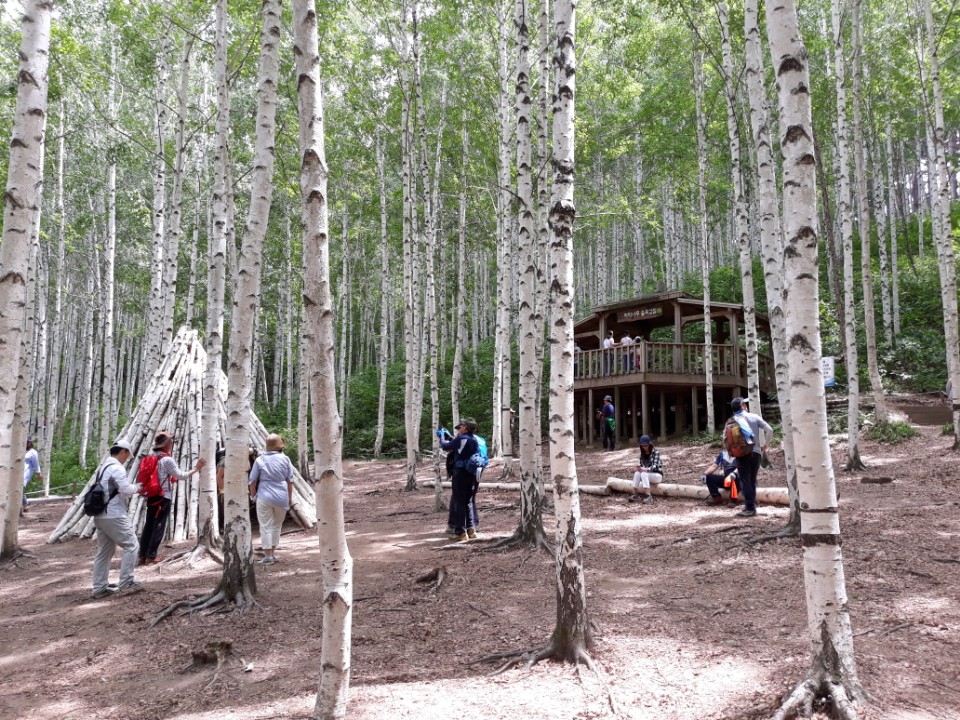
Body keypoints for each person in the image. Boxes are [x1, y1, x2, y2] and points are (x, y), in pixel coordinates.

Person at [139, 431, 205, 566]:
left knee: (149, 524)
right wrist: (196, 468)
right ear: (166, 444)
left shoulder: (152, 457)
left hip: (151, 495)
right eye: (170, 441)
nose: (172, 443)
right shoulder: (167, 460)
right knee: (159, 526)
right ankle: (151, 556)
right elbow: (181, 475)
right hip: (163, 497)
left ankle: (142, 554)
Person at [91, 440, 144, 598]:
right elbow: (125, 489)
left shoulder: (103, 468)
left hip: (100, 514)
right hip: (113, 514)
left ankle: (99, 587)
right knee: (132, 545)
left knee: (105, 551)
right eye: (127, 455)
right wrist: (137, 487)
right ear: (123, 452)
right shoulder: (117, 468)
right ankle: (126, 582)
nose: (127, 458)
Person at [249, 434, 294, 565]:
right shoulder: (285, 459)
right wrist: (289, 498)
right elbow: (290, 481)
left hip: (264, 496)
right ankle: (272, 553)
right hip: (282, 496)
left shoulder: (260, 460)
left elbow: (252, 481)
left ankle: (268, 556)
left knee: (265, 526)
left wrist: (253, 496)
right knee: (276, 526)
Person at [728, 397, 772, 518]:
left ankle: (750, 508)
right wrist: (765, 445)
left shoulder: (732, 420)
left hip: (741, 454)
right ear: (743, 406)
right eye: (745, 404)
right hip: (756, 452)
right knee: (752, 480)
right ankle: (751, 506)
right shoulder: (754, 417)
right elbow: (770, 430)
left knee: (745, 480)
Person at [439, 418, 479, 542]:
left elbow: (445, 446)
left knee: (459, 502)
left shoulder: (462, 438)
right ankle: (471, 530)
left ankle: (460, 532)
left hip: (460, 474)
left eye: (461, 426)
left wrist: (441, 436)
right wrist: (449, 436)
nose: (459, 427)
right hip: (471, 473)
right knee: (468, 501)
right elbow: (459, 446)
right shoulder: (474, 440)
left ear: (465, 428)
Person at [628, 435, 664, 504]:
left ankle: (648, 496)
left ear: (649, 445)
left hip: (657, 475)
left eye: (646, 445)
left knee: (644, 473)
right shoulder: (642, 454)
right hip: (646, 475)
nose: (644, 447)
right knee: (637, 473)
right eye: (642, 446)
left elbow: (656, 466)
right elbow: (642, 466)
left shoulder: (656, 452)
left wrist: (646, 469)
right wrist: (639, 468)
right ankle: (635, 494)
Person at [22, 439, 41, 513]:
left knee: (21, 487)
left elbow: (36, 464)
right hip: (18, 471)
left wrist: (38, 473)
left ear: (29, 444)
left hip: (26, 471)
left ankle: (25, 505)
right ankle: (24, 504)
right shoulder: (21, 451)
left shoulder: (33, 452)